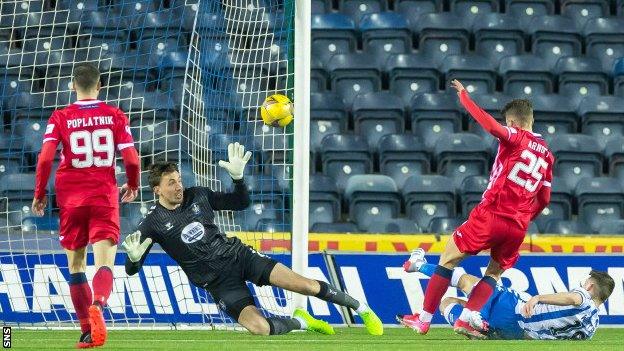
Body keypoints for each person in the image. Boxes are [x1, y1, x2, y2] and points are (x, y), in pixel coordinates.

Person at [121, 147, 383, 336]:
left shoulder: (198, 194)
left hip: (239, 257)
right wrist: (133, 261)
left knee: (305, 286)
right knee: (258, 328)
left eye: (179, 180)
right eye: (171, 183)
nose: (178, 186)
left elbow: (241, 202)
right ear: (157, 190)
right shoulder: (152, 224)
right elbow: (132, 271)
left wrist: (238, 180)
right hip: (218, 282)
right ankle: (301, 322)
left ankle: (362, 308)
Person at [399, 79, 555, 338]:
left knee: (447, 260)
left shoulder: (516, 137)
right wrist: (525, 217)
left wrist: (464, 97)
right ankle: (467, 316)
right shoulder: (547, 154)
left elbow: (491, 126)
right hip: (518, 225)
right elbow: (545, 198)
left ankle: (423, 319)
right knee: (493, 273)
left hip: (492, 213)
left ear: (513, 123)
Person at [32, 62, 140, 348]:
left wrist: (40, 192)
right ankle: (99, 304)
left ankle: (85, 330)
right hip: (103, 197)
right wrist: (133, 184)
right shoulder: (115, 115)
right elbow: (131, 159)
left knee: (76, 266)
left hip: (71, 200)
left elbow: (44, 159)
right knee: (104, 263)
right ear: (100, 85)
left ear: (72, 85)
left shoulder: (61, 116)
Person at [399, 249, 615, 340]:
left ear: (591, 288)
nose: (582, 284)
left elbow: (573, 298)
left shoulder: (584, 297)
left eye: (586, 282)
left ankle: (417, 265)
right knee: (450, 300)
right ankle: (475, 324)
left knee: (466, 281)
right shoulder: (591, 328)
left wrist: (538, 297)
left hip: (516, 310)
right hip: (519, 334)